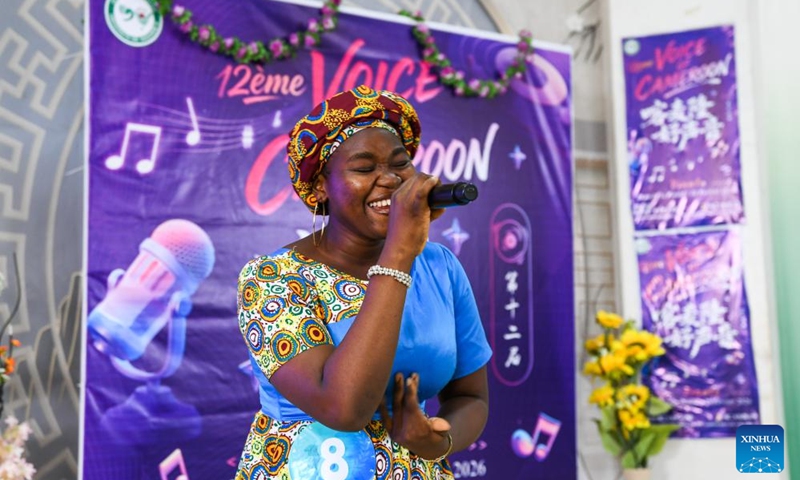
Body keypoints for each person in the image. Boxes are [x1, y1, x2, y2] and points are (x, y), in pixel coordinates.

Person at [235, 85, 492, 480]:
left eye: (399, 164)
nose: (389, 179)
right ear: (321, 186)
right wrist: (398, 255)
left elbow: (469, 396)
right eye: (364, 167)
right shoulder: (271, 278)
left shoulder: (440, 266)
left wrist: (439, 441)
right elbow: (343, 409)